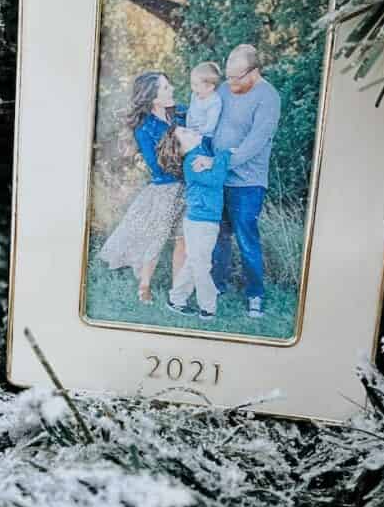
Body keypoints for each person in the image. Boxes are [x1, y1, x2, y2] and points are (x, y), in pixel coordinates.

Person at [194, 43, 280, 319]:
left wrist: (219, 162)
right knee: (218, 236)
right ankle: (218, 285)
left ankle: (255, 294)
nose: (229, 83)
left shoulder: (268, 97)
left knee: (246, 239)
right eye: (227, 77)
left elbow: (255, 143)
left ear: (253, 72)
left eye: (235, 78)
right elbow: (206, 114)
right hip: (218, 178)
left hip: (248, 183)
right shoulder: (224, 89)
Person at [98, 71, 187, 305]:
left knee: (183, 238)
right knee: (154, 239)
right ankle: (144, 286)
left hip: (191, 188)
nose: (172, 90)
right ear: (153, 96)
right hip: (165, 189)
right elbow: (157, 166)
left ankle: (178, 291)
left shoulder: (181, 113)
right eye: (166, 88)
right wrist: (185, 156)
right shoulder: (145, 127)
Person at [156, 126, 231, 321]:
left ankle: (176, 299)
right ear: (181, 149)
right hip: (201, 222)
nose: (191, 131)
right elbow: (217, 179)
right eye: (186, 134)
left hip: (202, 220)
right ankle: (208, 307)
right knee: (201, 265)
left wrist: (214, 159)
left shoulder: (200, 152)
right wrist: (224, 155)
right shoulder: (192, 161)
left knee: (194, 262)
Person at [185, 61, 222, 142]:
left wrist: (197, 132)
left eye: (196, 85)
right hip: (192, 131)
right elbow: (190, 112)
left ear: (210, 87)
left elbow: (210, 126)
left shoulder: (214, 102)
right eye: (192, 84)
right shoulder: (195, 95)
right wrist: (188, 128)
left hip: (205, 136)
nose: (192, 88)